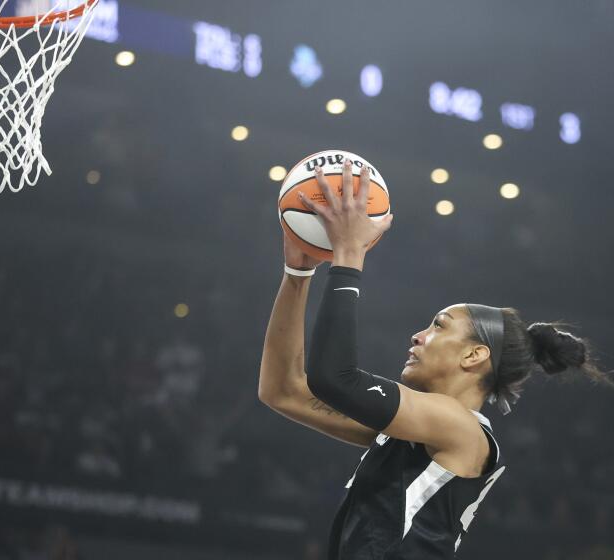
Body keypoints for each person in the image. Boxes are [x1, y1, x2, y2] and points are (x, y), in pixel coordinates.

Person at [258, 159, 612, 559]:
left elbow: (334, 379)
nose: (418, 335)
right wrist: (297, 273)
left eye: (439, 326)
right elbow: (283, 391)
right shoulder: (410, 431)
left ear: (475, 355)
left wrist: (349, 253)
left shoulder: (460, 428)